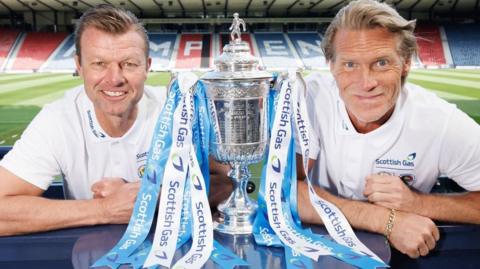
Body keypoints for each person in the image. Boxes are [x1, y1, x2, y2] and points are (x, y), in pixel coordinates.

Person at [0, 5, 230, 236]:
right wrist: (104, 209)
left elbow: (229, 186)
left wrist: (155, 196)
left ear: (147, 67)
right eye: (99, 64)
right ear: (79, 66)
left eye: (129, 64)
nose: (115, 78)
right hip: (91, 254)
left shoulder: (178, 109)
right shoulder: (58, 120)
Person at [295, 0, 480, 259]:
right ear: (331, 66)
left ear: (405, 63)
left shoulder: (440, 122)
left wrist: (418, 203)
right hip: (309, 249)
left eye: (381, 63)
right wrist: (385, 220)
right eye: (350, 64)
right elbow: (286, 189)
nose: (366, 83)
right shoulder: (309, 100)